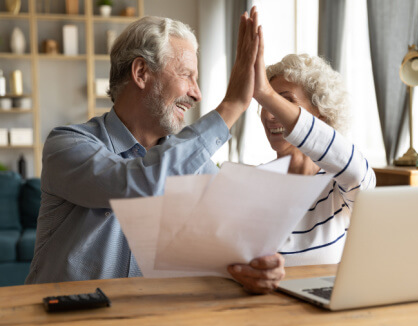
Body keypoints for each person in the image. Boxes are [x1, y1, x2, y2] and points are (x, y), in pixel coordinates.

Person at [26, 8, 285, 294]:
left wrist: (255, 267)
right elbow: (139, 185)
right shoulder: (67, 145)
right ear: (141, 73)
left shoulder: (195, 166)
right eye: (187, 75)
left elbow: (233, 238)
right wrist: (232, 104)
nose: (197, 94)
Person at [249, 31, 376, 266]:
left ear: (322, 115)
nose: (268, 113)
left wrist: (265, 92)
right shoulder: (252, 182)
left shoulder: (341, 186)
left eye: (285, 101)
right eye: (264, 104)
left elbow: (356, 170)